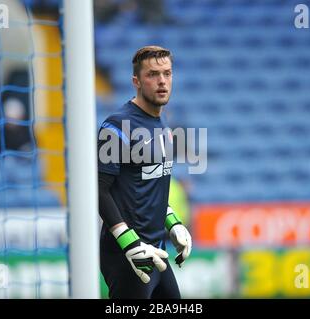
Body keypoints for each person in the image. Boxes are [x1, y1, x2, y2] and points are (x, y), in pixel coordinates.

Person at [97, 46, 192, 299]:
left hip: (157, 252)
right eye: (153, 74)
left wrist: (173, 223)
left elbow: (150, 188)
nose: (162, 81)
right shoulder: (117, 125)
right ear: (136, 81)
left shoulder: (161, 123)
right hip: (129, 256)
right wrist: (130, 244)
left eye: (167, 73)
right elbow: (98, 190)